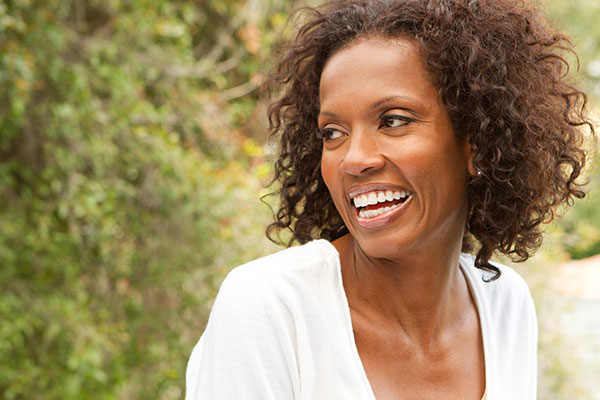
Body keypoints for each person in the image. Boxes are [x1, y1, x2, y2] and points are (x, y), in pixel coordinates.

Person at [186, 0, 594, 399]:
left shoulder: (506, 304)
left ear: (476, 143)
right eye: (332, 132)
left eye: (393, 120)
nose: (353, 159)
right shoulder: (271, 308)